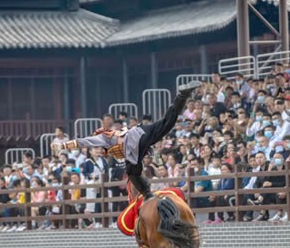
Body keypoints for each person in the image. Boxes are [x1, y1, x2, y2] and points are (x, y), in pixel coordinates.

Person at [62, 81, 203, 200]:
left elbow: (83, 141)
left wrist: (63, 145)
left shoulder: (103, 137)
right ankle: (182, 96)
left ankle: (147, 194)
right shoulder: (119, 130)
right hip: (142, 130)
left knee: (132, 172)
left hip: (135, 145)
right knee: (167, 122)